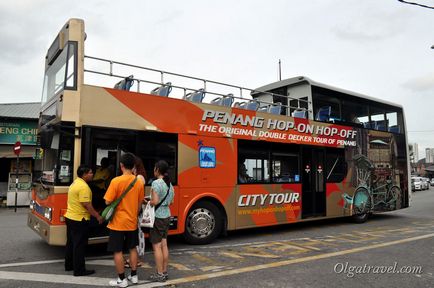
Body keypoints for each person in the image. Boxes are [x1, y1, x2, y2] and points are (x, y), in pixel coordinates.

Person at [104, 153, 145, 287]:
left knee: (118, 251)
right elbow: (140, 204)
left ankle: (121, 279)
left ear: (121, 165)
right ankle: (134, 276)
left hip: (117, 223)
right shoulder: (138, 181)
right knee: (133, 248)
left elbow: (107, 201)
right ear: (133, 166)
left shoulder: (116, 181)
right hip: (132, 221)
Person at [64, 165, 103, 277]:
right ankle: (79, 270)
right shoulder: (84, 187)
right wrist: (97, 216)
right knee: (79, 245)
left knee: (71, 243)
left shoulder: (75, 183)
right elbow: (86, 205)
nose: (92, 174)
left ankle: (69, 265)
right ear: (84, 174)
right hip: (79, 220)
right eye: (90, 172)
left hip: (70, 217)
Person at [146, 160, 175, 282]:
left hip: (157, 217)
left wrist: (147, 201)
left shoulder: (156, 183)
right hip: (167, 215)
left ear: (157, 169)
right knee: (164, 244)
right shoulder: (170, 184)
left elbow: (155, 202)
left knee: (156, 246)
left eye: (154, 168)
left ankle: (159, 274)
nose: (153, 170)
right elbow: (171, 201)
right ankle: (164, 271)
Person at [124, 156, 147, 269]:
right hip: (135, 209)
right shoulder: (136, 176)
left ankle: (137, 259)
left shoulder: (139, 178)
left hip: (138, 210)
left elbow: (138, 196)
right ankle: (134, 258)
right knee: (136, 234)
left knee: (138, 235)